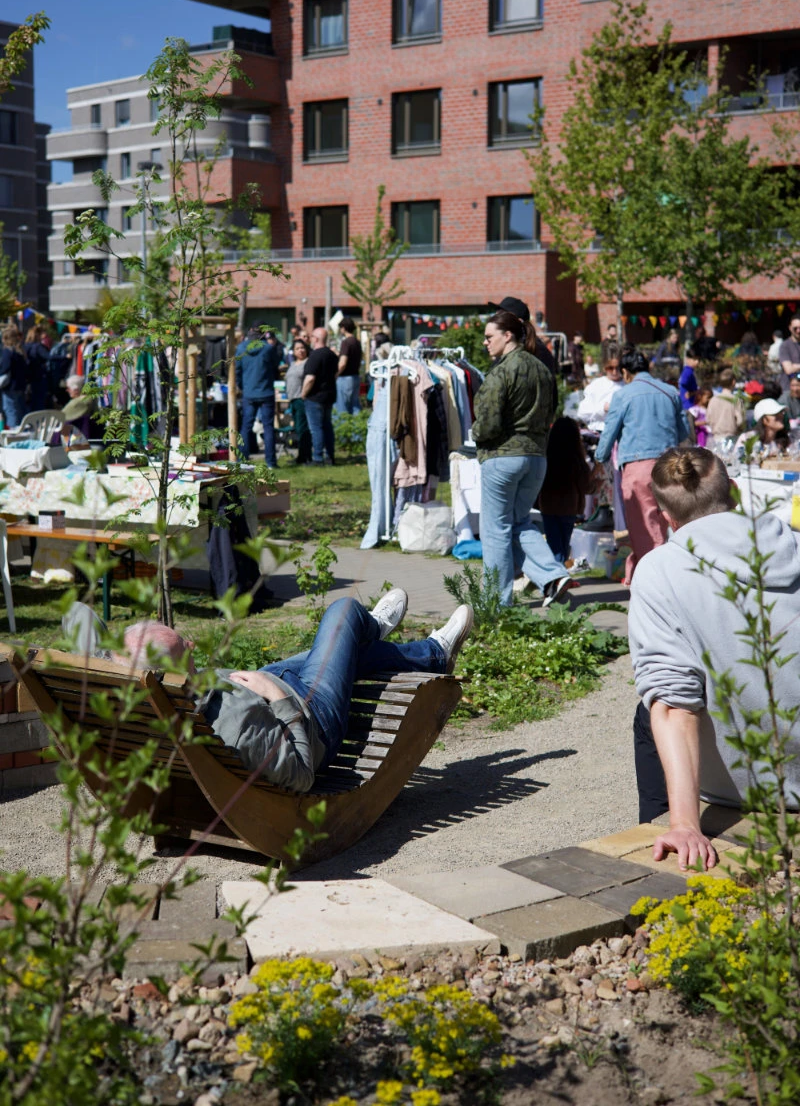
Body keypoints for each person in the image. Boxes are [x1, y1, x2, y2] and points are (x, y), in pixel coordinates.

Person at [63, 592, 474, 793]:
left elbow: (75, 615)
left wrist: (111, 654)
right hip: (311, 716)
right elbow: (300, 773)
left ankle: (382, 643)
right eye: (186, 651)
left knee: (339, 649)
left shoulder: (128, 688)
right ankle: (419, 648)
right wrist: (274, 697)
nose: (194, 647)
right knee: (343, 612)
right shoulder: (232, 723)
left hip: (249, 685)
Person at [628, 447, 800, 870]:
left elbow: (673, 703)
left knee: (649, 709)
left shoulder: (660, 570)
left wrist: (686, 824)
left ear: (666, 515)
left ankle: (658, 823)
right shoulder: (794, 545)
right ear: (736, 493)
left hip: (752, 790)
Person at [472, 309, 571, 608]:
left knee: (496, 531)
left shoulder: (501, 371)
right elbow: (553, 411)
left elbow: (487, 423)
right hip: (536, 458)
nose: (485, 343)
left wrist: (474, 432)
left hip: (503, 458)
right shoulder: (543, 370)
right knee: (518, 523)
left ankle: (496, 603)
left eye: (489, 337)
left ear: (508, 335)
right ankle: (554, 575)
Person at [595, 345, 689, 584]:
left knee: (643, 525)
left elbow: (609, 434)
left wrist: (599, 459)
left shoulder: (623, 395)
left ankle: (653, 579)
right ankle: (667, 572)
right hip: (671, 464)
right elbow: (683, 431)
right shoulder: (670, 391)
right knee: (669, 518)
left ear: (626, 373)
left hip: (638, 466)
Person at [538, 417, 596, 563]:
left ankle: (556, 575)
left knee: (554, 543)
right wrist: (597, 481)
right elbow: (587, 487)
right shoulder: (576, 459)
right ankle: (559, 575)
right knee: (563, 543)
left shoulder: (546, 457)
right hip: (568, 506)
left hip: (547, 505)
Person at [236, 326, 281, 466]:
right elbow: (275, 367)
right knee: (268, 427)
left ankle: (242, 459)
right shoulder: (268, 348)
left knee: (245, 426)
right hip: (266, 391)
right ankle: (271, 462)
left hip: (249, 392)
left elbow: (237, 370)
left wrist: (243, 386)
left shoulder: (241, 348)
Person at [302, 326, 338, 465]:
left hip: (315, 396)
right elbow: (335, 373)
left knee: (316, 428)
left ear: (315, 339)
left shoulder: (315, 355)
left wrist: (303, 393)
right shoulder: (331, 355)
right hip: (328, 395)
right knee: (327, 426)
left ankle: (317, 457)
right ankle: (330, 456)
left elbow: (310, 378)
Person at [576, 351, 622, 431]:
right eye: (610, 368)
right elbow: (582, 413)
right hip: (600, 431)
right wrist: (602, 409)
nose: (614, 372)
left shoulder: (627, 385)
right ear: (605, 367)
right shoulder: (596, 385)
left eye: (617, 368)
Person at [284, 338, 312, 464]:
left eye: (302, 348)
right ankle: (302, 455)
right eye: (297, 348)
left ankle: (304, 457)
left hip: (301, 399)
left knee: (303, 429)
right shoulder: (292, 364)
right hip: (292, 399)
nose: (300, 350)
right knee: (298, 428)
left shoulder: (308, 363)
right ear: (293, 351)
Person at [0, 325, 29, 429]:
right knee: (20, 411)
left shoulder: (7, 352)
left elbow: (5, 368)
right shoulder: (20, 352)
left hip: (10, 387)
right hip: (20, 386)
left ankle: (14, 435)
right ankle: (22, 431)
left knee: (11, 411)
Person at [705, 369, 745, 440]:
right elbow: (740, 421)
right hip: (731, 437)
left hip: (716, 437)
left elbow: (708, 419)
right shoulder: (735, 400)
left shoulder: (713, 400)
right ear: (733, 382)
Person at [335, 318, 362, 414]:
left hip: (345, 377)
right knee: (355, 406)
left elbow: (342, 363)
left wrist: (336, 375)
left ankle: (343, 429)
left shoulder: (346, 342)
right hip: (355, 376)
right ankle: (358, 427)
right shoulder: (356, 342)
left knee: (342, 407)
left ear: (343, 328)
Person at [24, 326, 51, 412]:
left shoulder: (25, 346)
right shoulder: (38, 346)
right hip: (38, 377)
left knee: (30, 402)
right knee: (39, 402)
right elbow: (48, 356)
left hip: (28, 378)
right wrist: (65, 356)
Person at [777, 316, 800, 393]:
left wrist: (795, 366)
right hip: (789, 390)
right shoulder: (785, 346)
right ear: (790, 328)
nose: (798, 330)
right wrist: (792, 367)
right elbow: (789, 370)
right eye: (795, 328)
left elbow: (792, 368)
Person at [677, 345, 700, 410]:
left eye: (698, 359)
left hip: (686, 404)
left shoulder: (688, 370)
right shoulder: (688, 371)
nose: (697, 362)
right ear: (687, 359)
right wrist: (692, 393)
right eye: (694, 359)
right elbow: (683, 382)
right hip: (688, 406)